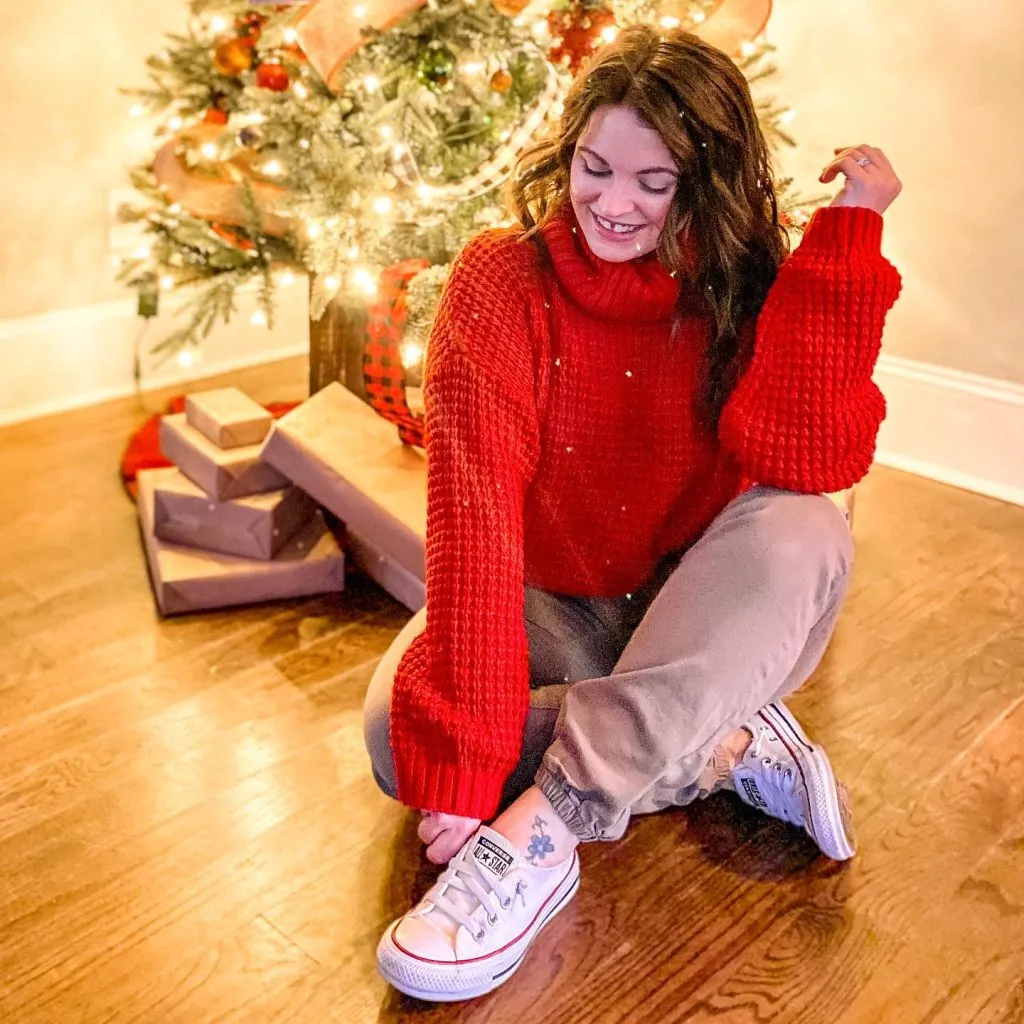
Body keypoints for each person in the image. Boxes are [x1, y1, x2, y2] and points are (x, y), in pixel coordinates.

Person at [363, 24, 902, 1002]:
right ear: (565, 151)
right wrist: (460, 763)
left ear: (709, 180)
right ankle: (716, 743)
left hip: (693, 609)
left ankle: (548, 827)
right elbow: (473, 526)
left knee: (807, 524)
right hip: (554, 606)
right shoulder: (501, 280)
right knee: (393, 736)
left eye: (654, 185)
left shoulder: (744, 280)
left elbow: (805, 460)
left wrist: (848, 239)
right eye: (593, 167)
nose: (613, 204)